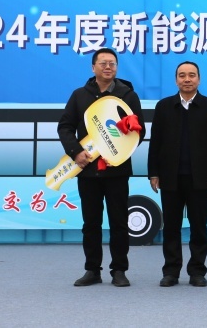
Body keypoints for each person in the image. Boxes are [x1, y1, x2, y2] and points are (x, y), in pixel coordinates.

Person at [58, 47, 144, 288]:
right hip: (87, 170)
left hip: (117, 171)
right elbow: (65, 127)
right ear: (93, 67)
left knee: (119, 222)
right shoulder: (79, 95)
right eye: (103, 63)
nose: (108, 67)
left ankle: (119, 270)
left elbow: (140, 132)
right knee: (91, 223)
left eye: (112, 63)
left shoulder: (128, 96)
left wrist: (127, 134)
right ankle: (92, 270)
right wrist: (76, 151)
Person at [147, 61, 207, 288]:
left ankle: (197, 271)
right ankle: (171, 272)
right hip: (170, 177)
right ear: (176, 80)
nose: (187, 79)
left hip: (200, 177)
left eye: (192, 75)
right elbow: (155, 142)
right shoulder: (164, 106)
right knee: (171, 227)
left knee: (198, 227)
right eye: (182, 75)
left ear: (199, 79)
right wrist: (153, 173)